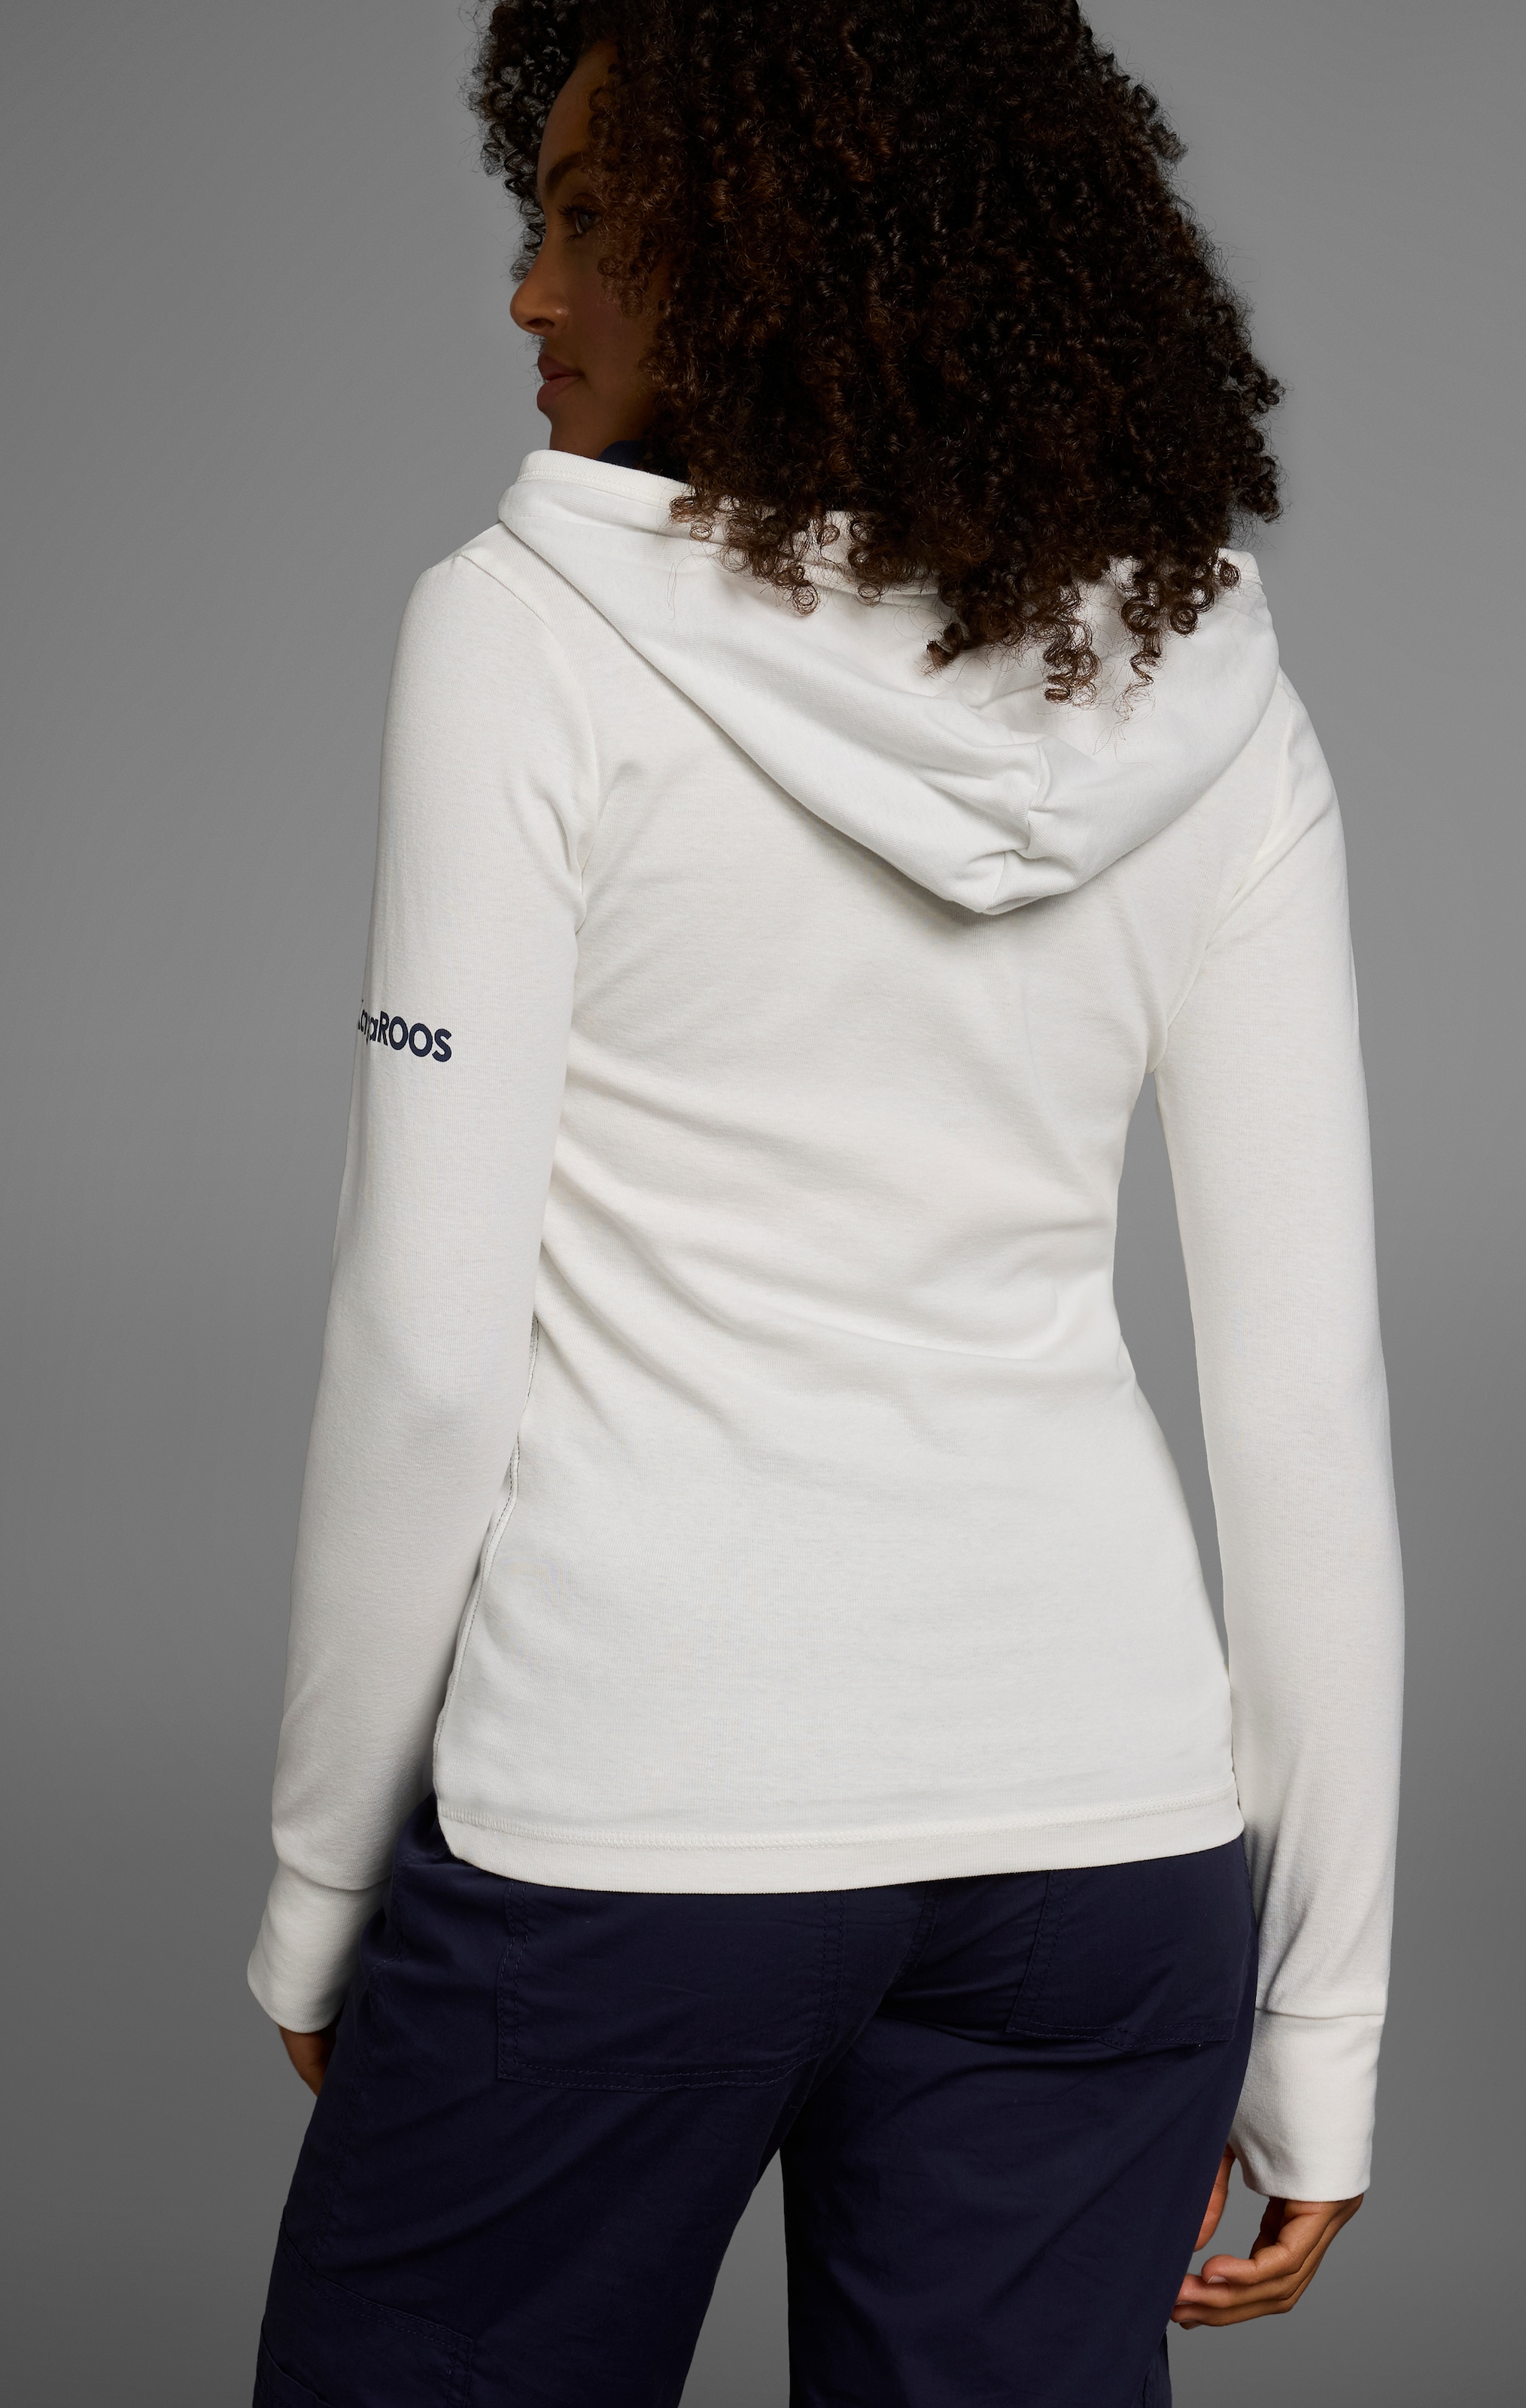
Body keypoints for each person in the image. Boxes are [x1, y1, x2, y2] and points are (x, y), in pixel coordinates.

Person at [246, 6, 1402, 2402]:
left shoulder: (523, 633)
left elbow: (430, 1349)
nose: (528, 291)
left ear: (774, 248)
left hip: (634, 1828)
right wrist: (1327, 2018)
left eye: (590, 222)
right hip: (1105, 1861)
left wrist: (321, 1884)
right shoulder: (1204, 681)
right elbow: (1304, 1398)